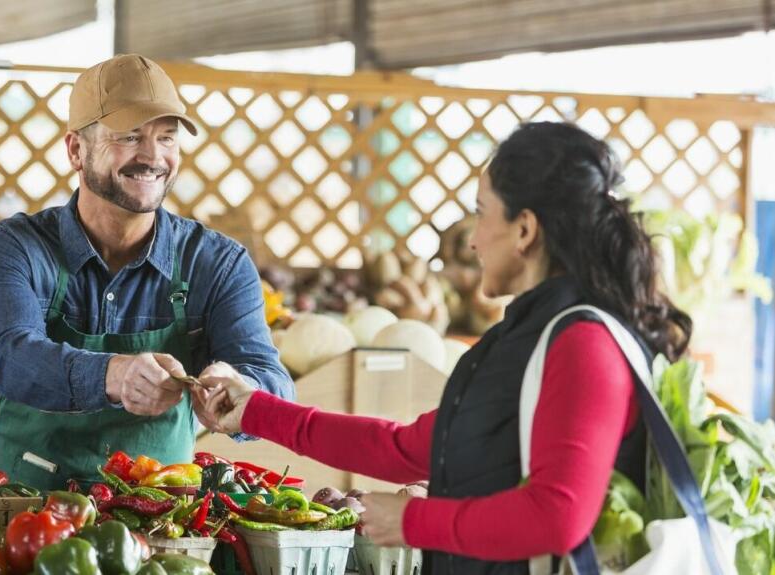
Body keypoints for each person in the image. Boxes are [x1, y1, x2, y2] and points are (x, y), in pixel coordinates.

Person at [193, 122, 693, 574]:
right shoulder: (525, 338)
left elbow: (557, 517)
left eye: (481, 214)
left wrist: (413, 520)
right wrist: (254, 410)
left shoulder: (584, 344)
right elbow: (404, 449)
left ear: (524, 229)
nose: (473, 241)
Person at [0, 54, 294, 489]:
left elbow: (273, 382)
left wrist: (242, 389)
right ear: (76, 150)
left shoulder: (219, 263)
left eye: (167, 137)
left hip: (161, 513)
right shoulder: (14, 246)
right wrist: (114, 375)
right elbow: (13, 359)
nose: (153, 156)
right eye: (129, 136)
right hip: (23, 506)